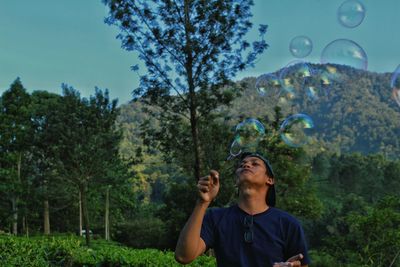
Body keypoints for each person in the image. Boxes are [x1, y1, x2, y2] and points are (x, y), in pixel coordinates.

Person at [175, 152, 310, 267]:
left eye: (255, 163)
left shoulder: (288, 223)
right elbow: (183, 256)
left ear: (269, 179)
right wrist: (202, 203)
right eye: (242, 165)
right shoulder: (215, 217)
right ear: (236, 181)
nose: (246, 165)